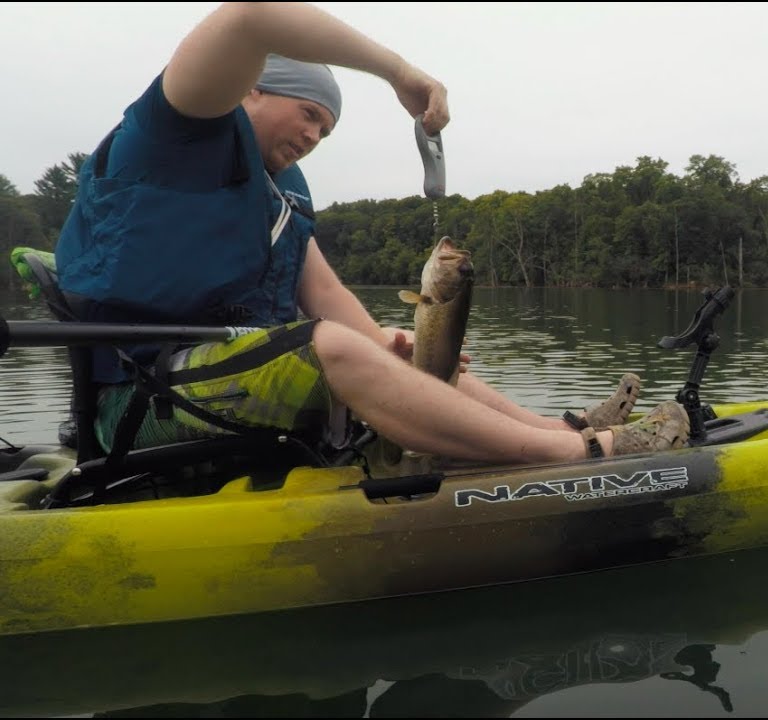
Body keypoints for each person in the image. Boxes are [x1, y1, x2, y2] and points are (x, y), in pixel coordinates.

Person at [53, 2, 689, 465]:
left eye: (325, 130)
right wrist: (398, 72)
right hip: (142, 402)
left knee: (396, 349)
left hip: (226, 378)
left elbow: (327, 296)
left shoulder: (281, 191)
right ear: (250, 90)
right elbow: (250, 16)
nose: (313, 136)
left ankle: (557, 427)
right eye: (307, 113)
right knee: (332, 345)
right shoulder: (173, 133)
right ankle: (576, 455)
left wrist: (389, 345)